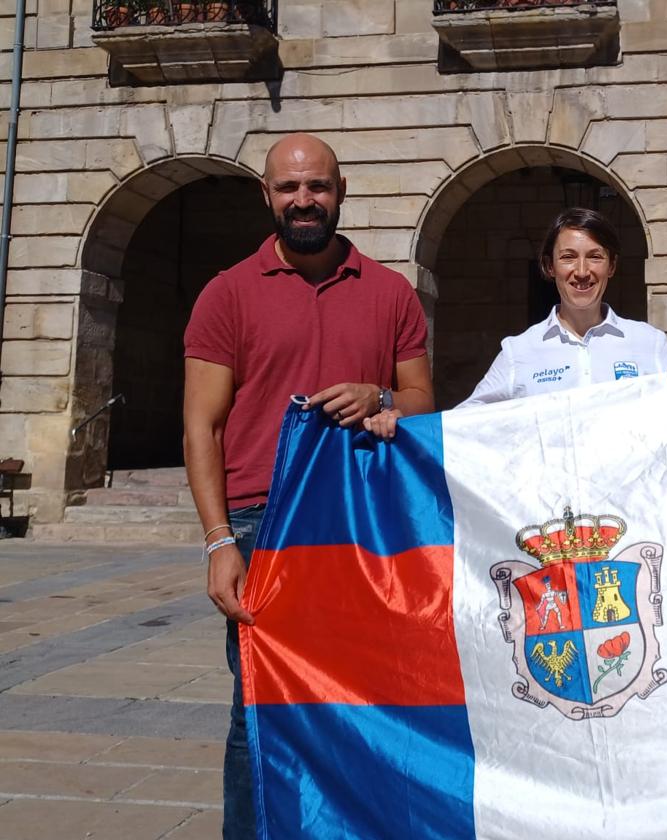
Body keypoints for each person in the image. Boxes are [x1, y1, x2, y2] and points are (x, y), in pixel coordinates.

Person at [182, 132, 435, 839]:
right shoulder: (225, 294)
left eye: (317, 187)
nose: (304, 200)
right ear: (267, 194)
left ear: (341, 191)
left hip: (364, 521)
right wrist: (216, 542)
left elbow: (422, 399)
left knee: (368, 698)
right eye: (289, 187)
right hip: (264, 525)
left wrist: (380, 394)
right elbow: (200, 428)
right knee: (257, 708)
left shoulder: (391, 292)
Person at [366, 207, 667, 437]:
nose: (582, 271)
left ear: (612, 266)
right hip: (555, 520)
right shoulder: (520, 352)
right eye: (568, 257)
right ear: (549, 267)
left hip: (633, 515)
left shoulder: (649, 344)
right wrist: (404, 428)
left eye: (595, 257)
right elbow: (462, 427)